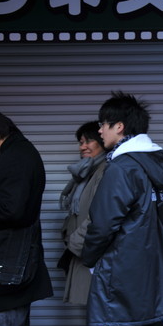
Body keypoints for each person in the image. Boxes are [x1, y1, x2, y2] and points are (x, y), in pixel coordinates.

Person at [82, 92, 163, 326]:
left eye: (104, 124)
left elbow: (103, 223)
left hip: (122, 264)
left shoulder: (123, 167)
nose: (99, 131)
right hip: (154, 260)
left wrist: (89, 257)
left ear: (120, 127)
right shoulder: (156, 165)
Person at [0, 113, 53, 326]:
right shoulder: (16, 152)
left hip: (10, 263)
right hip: (12, 261)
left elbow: (13, 210)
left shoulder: (17, 157)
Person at [58, 121, 107, 305]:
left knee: (104, 312)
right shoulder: (86, 173)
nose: (83, 147)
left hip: (92, 252)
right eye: (81, 142)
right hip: (83, 250)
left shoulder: (106, 170)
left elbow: (100, 213)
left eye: (89, 141)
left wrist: (75, 242)